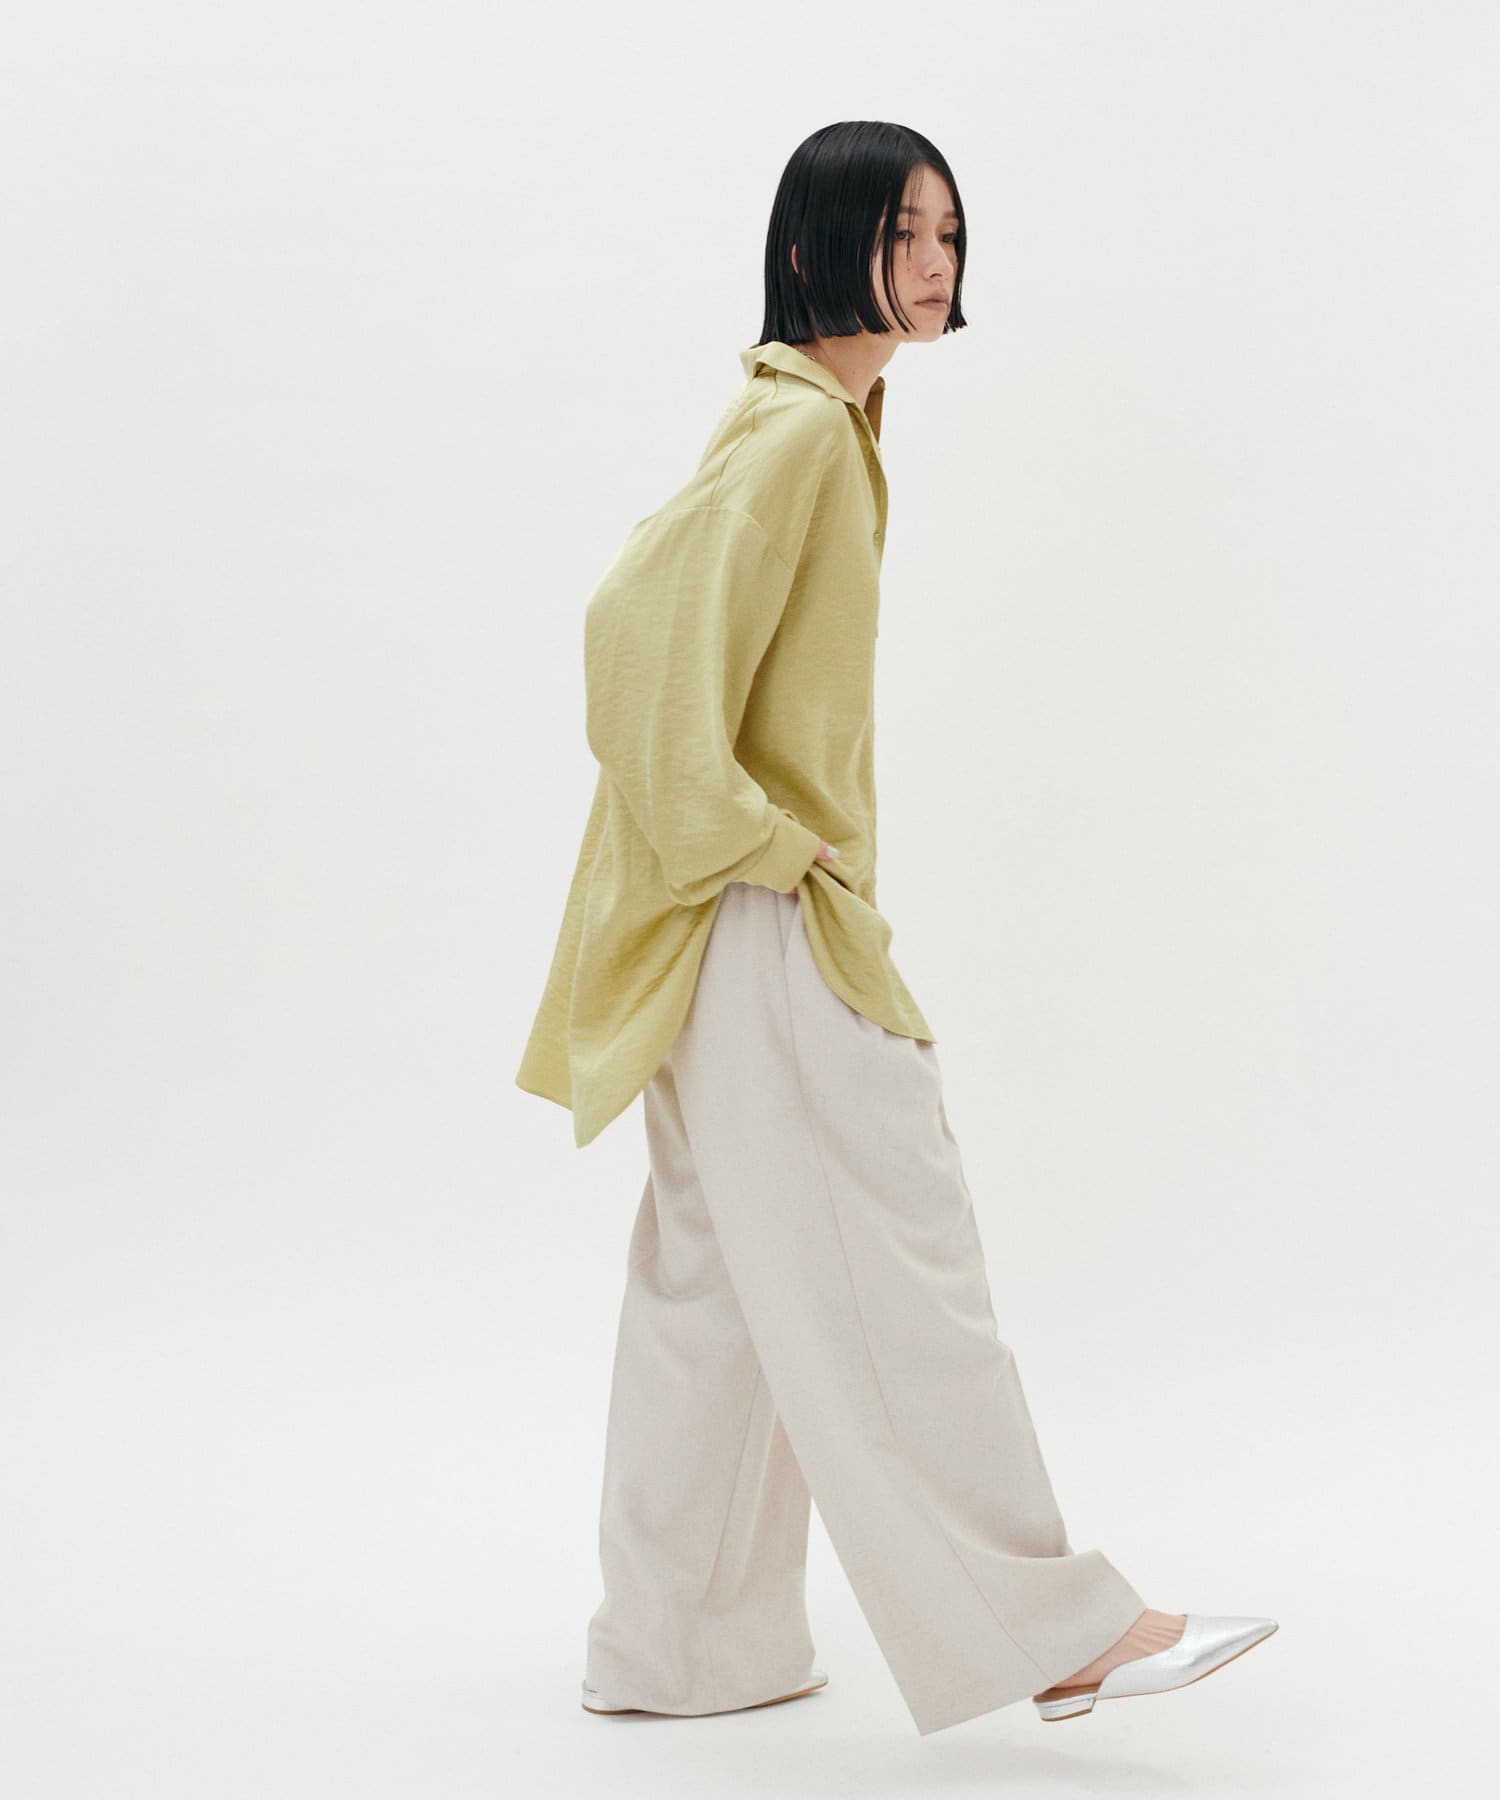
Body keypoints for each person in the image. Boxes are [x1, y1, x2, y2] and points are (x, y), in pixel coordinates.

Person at [517, 120, 1277, 1736]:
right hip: (756, 922)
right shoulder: (799, 430)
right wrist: (767, 842)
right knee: (902, 1263)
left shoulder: (823, 423)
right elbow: (628, 641)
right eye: (902, 232)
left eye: (949, 235)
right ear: (814, 249)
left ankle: (681, 1648)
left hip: (719, 928)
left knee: (720, 1296)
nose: (934, 264)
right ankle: (1050, 1631)